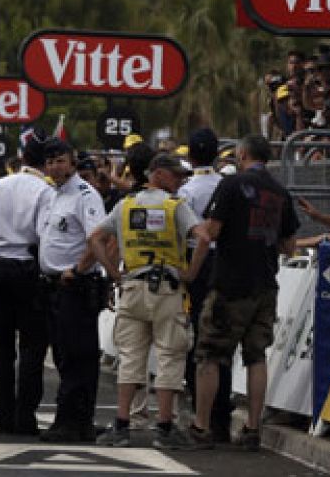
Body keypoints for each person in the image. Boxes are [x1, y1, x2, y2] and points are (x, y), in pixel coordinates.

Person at [91, 154, 210, 450]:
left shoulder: (125, 205)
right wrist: (191, 273)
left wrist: (114, 274)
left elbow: (94, 238)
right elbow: (204, 238)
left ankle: (121, 426)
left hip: (132, 286)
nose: (181, 181)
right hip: (167, 289)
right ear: (157, 174)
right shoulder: (175, 207)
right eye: (176, 175)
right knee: (170, 356)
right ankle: (165, 427)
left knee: (131, 357)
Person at [189, 135, 299, 449]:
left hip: (230, 283)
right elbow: (289, 246)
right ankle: (252, 429)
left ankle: (202, 426)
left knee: (210, 354)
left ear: (242, 154)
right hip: (266, 283)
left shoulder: (231, 185)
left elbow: (212, 232)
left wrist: (192, 266)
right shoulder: (280, 192)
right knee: (256, 355)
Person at [0, 128, 53, 437]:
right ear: (45, 162)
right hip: (28, 268)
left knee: (2, 347)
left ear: (21, 159)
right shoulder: (45, 191)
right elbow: (46, 236)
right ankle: (25, 416)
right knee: (32, 345)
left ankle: (4, 418)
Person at [37, 136, 107, 443]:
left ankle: (73, 421)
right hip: (55, 285)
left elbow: (97, 238)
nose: (54, 166)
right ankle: (75, 420)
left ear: (72, 162)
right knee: (64, 355)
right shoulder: (54, 194)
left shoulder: (84, 194)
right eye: (50, 161)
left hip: (76, 285)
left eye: (60, 160)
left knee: (78, 355)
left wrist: (77, 270)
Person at [176, 127, 231, 440]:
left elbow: (186, 232)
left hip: (195, 262)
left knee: (197, 339)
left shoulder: (186, 191)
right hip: (225, 262)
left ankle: (202, 414)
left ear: (190, 155)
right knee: (219, 338)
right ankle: (221, 417)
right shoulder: (227, 184)